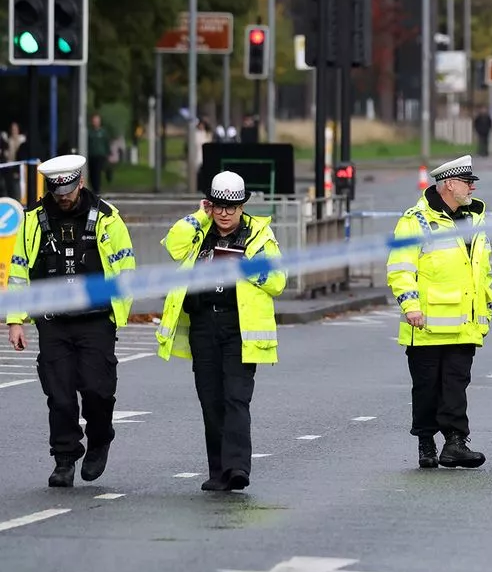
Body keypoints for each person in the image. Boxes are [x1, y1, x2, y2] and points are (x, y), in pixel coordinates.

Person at [5, 154, 137, 488]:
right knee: (60, 395)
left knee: (97, 390)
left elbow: (125, 270)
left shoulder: (107, 218)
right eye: (56, 190)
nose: (63, 196)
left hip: (96, 320)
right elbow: (20, 269)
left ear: (80, 182)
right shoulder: (34, 219)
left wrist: (116, 315)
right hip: (54, 322)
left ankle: (99, 438)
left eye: (68, 189)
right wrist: (15, 320)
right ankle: (64, 458)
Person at [155, 171, 286, 492]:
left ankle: (237, 468)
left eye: (231, 208)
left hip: (240, 327)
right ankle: (218, 472)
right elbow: (173, 244)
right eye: (218, 207)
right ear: (210, 206)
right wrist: (200, 215)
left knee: (236, 399)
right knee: (211, 401)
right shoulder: (199, 233)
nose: (224, 214)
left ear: (243, 207)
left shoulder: (260, 237)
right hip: (203, 326)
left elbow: (278, 282)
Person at [386, 155, 492, 469]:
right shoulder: (415, 221)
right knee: (427, 387)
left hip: (464, 323)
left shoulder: (474, 219)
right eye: (466, 182)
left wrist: (485, 308)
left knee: (456, 385)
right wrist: (411, 307)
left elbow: (482, 271)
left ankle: (456, 442)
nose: (472, 187)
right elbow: (400, 269)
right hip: (427, 324)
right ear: (448, 184)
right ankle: (426, 442)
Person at [86, 114, 111, 195]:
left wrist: (107, 153)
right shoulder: (89, 132)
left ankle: (97, 188)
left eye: (97, 121)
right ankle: (93, 187)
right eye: (94, 121)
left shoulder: (103, 132)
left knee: (97, 172)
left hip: (100, 155)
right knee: (92, 172)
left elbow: (106, 143)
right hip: (91, 155)